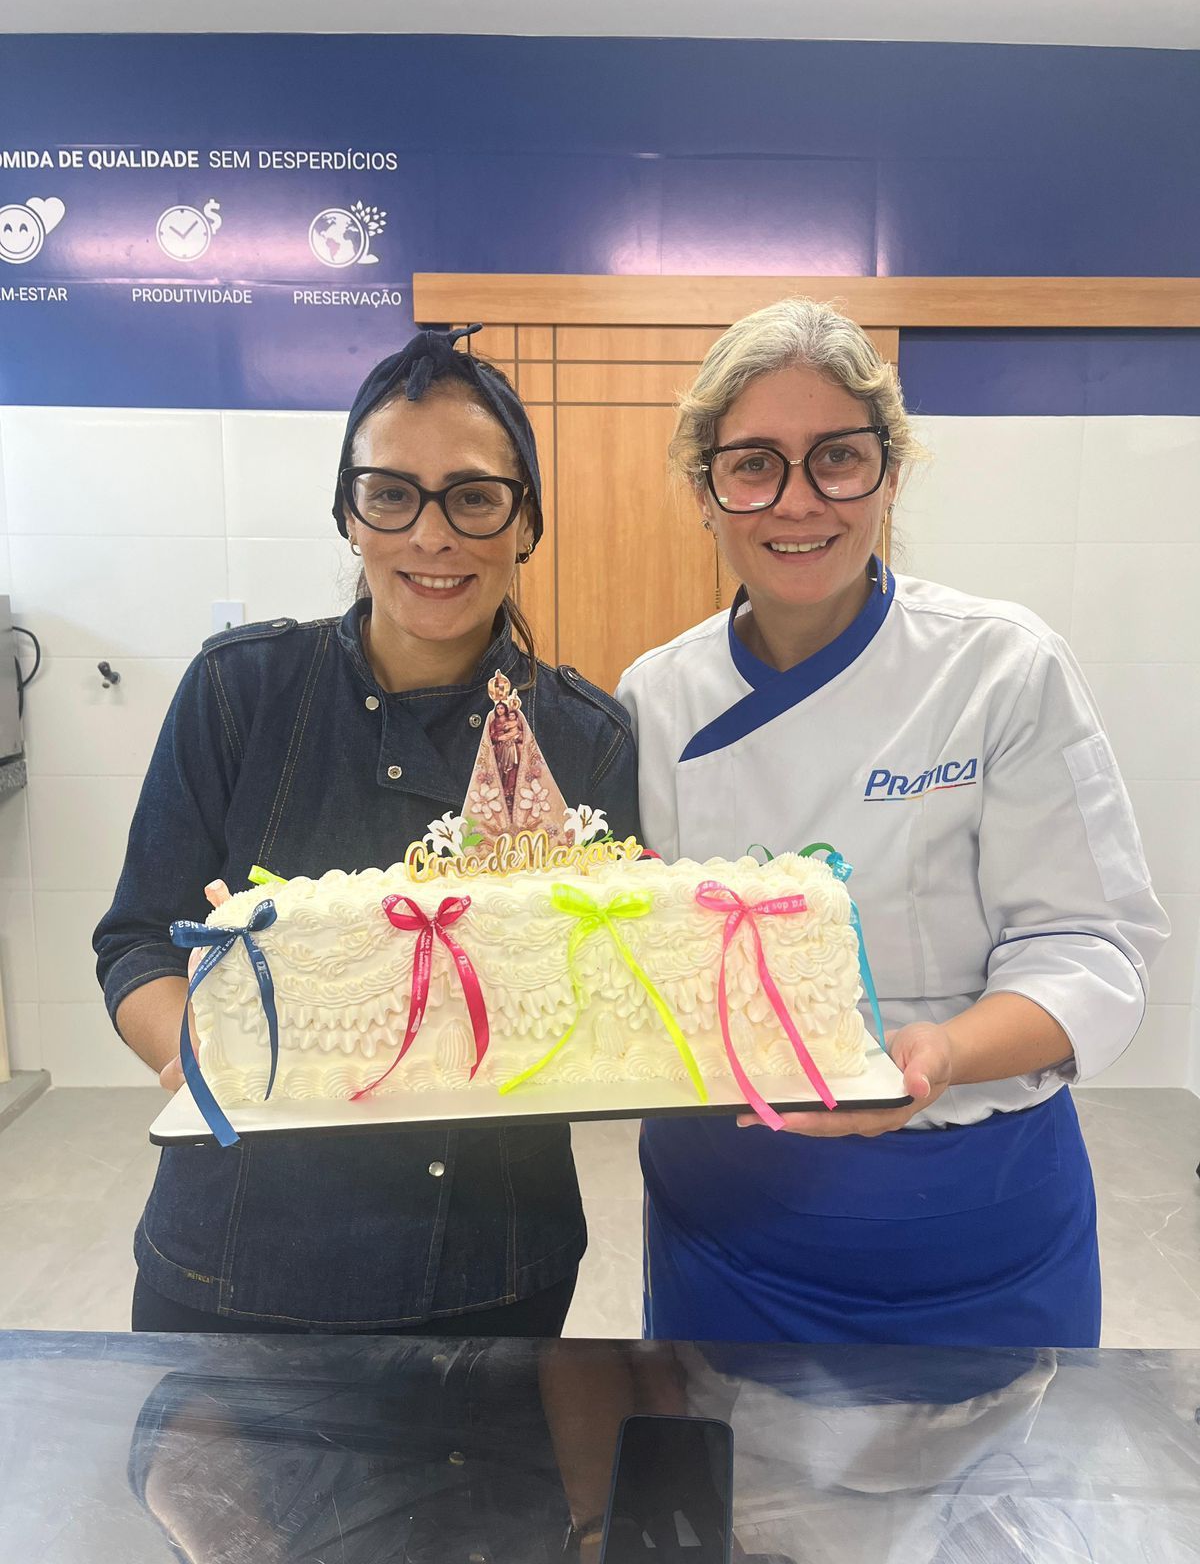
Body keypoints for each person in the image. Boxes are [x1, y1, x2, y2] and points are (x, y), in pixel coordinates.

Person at [616, 298, 1168, 1349]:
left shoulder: (1000, 668)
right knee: (730, 1503)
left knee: (992, 1504)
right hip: (729, 1218)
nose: (798, 502)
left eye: (837, 457)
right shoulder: (654, 700)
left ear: (890, 473)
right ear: (707, 490)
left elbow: (1093, 952)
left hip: (972, 1213)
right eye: (753, 464)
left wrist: (943, 1054)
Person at [95, 325, 639, 1335]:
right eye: (392, 493)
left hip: (492, 1265)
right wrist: (204, 1060)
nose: (432, 535)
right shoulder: (240, 689)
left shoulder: (586, 737)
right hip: (231, 1259)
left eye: (475, 497)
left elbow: (608, 978)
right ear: (350, 513)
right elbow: (135, 941)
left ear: (527, 523)